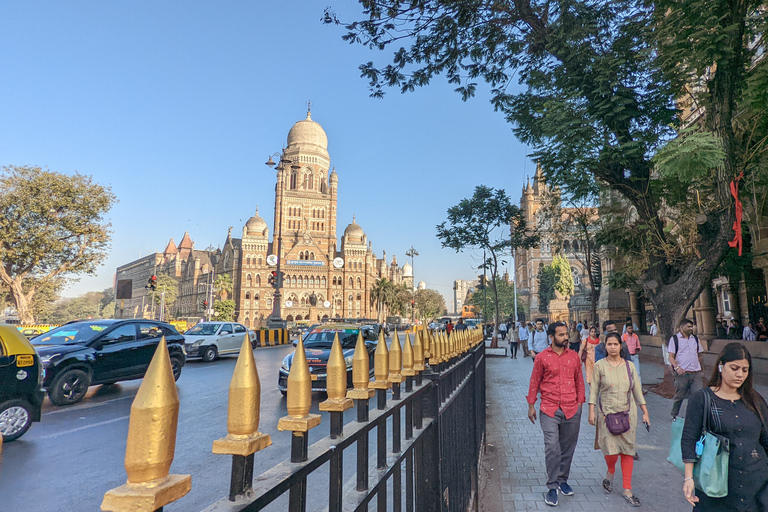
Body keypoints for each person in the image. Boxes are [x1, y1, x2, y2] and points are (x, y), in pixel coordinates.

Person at [681, 342, 768, 511]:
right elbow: (689, 438)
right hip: (717, 486)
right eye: (734, 368)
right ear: (721, 366)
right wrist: (688, 478)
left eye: (744, 370)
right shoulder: (702, 399)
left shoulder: (755, 400)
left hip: (756, 487)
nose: (740, 374)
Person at [527, 321, 586, 507]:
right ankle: (552, 486)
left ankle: (562, 480)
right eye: (561, 335)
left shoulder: (574, 356)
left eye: (566, 334)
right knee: (553, 447)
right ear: (551, 337)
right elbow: (534, 381)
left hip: (571, 408)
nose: (565, 337)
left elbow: (579, 381)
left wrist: (580, 404)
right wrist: (531, 405)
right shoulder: (542, 357)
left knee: (568, 447)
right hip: (549, 408)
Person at [589, 332, 649, 507]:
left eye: (616, 344)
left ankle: (627, 489)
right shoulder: (599, 366)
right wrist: (591, 410)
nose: (613, 347)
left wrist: (645, 411)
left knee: (628, 450)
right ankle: (610, 471)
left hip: (628, 414)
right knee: (611, 451)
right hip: (606, 414)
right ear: (605, 346)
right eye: (609, 344)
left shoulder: (629, 366)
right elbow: (594, 390)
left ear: (620, 346)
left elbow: (637, 390)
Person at [668, 318, 705, 420]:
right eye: (688, 326)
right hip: (682, 374)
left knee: (697, 396)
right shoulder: (675, 339)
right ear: (681, 327)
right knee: (679, 396)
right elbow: (671, 357)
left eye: (691, 326)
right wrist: (677, 368)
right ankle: (674, 414)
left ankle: (695, 417)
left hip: (695, 372)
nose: (690, 328)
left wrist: (701, 370)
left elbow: (699, 355)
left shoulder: (695, 339)